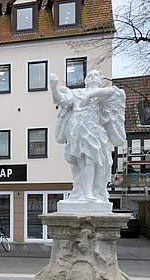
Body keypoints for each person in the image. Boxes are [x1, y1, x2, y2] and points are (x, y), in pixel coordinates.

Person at [50, 70, 126, 203]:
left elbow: (113, 92)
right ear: (85, 80)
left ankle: (89, 192)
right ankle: (80, 190)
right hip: (76, 129)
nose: (92, 77)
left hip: (93, 130)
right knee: (79, 162)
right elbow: (61, 101)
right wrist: (54, 87)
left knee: (91, 160)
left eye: (96, 75)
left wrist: (90, 95)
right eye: (89, 75)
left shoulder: (101, 94)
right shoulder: (76, 93)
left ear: (100, 80)